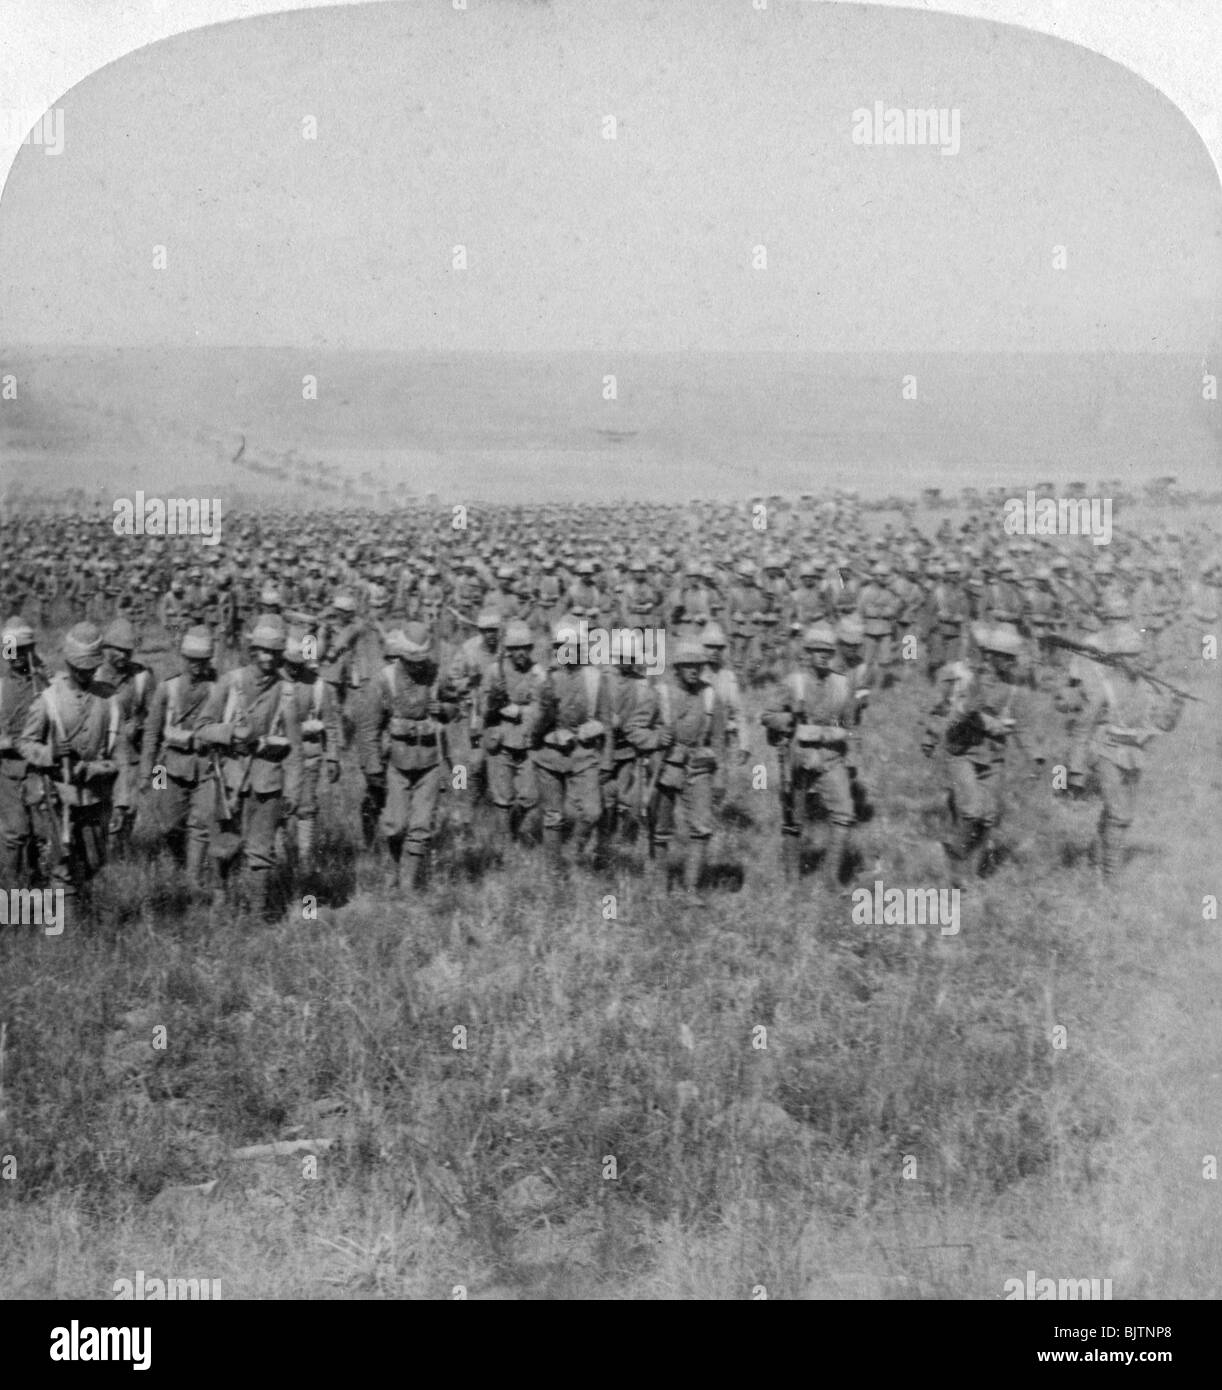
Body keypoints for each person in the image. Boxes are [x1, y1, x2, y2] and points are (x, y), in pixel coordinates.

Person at [1056, 622, 1183, 878]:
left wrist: (1176, 705)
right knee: (1119, 813)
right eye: (1132, 656)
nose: (1139, 660)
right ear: (1118, 659)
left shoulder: (1147, 688)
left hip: (1134, 756)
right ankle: (1110, 876)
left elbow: (1161, 724)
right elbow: (1082, 729)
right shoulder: (1105, 688)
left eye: (1140, 655)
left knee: (1122, 815)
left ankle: (1097, 857)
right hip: (1106, 753)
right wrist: (1076, 771)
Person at [195, 619, 302, 919]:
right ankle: (220, 896)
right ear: (253, 651)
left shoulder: (287, 692)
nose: (268, 658)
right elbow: (201, 729)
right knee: (223, 847)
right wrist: (231, 733)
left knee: (261, 850)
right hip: (229, 778)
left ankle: (258, 915)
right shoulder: (230, 683)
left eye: (275, 652)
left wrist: (293, 791)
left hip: (268, 782)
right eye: (263, 651)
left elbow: (294, 750)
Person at [922, 623, 1043, 882]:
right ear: (992, 656)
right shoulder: (966, 679)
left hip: (994, 757)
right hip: (962, 752)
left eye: (1013, 658)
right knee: (972, 810)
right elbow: (945, 712)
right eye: (1007, 658)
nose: (1012, 663)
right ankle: (955, 854)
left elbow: (1022, 727)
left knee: (988, 817)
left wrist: (1035, 756)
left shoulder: (1014, 688)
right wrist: (933, 737)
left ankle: (970, 872)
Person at [18, 622, 121, 904]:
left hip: (97, 795)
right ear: (68, 662)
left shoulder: (109, 699)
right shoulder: (48, 700)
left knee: (93, 862)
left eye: (90, 668)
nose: (85, 673)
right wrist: (49, 753)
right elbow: (25, 744)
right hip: (57, 798)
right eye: (79, 668)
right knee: (62, 866)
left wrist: (92, 770)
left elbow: (119, 756)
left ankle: (81, 914)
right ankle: (60, 932)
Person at [356, 622, 460, 891]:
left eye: (420, 660)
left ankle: (407, 885)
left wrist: (444, 709)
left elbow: (454, 706)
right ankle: (392, 864)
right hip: (395, 762)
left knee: (421, 825)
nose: (416, 666)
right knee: (395, 825)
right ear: (400, 655)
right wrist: (373, 769)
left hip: (430, 761)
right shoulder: (384, 680)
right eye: (410, 660)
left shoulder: (437, 675)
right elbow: (368, 729)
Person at [761, 623, 855, 884]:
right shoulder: (795, 683)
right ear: (808, 653)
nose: (823, 655)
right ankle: (792, 877)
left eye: (828, 651)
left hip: (830, 758)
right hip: (799, 759)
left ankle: (831, 877)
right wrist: (789, 720)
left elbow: (848, 725)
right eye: (817, 650)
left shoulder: (842, 684)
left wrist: (831, 734)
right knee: (794, 819)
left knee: (844, 814)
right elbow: (767, 716)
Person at [139, 626, 218, 885]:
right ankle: (180, 862)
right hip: (170, 766)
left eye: (203, 660)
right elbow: (151, 733)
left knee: (201, 822)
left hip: (207, 765)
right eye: (192, 659)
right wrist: (146, 772)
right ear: (184, 658)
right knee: (169, 824)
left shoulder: (219, 688)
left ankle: (192, 879)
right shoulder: (168, 688)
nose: (197, 665)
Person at [532, 615, 611, 873]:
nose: (567, 653)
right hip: (550, 754)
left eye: (573, 647)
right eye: (561, 648)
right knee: (553, 816)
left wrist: (606, 759)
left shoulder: (595, 678)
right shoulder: (546, 678)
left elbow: (606, 720)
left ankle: (575, 848)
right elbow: (532, 730)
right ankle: (554, 869)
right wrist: (545, 711)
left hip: (583, 753)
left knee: (592, 812)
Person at [645, 639, 723, 899]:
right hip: (666, 767)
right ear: (676, 668)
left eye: (698, 665)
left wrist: (720, 775)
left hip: (699, 766)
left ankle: (691, 888)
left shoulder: (710, 695)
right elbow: (639, 727)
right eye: (687, 665)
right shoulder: (661, 693)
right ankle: (659, 886)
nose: (694, 670)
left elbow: (720, 739)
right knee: (660, 828)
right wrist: (657, 738)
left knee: (701, 828)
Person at [481, 620, 545, 850]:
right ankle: (466, 811)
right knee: (470, 768)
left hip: (527, 741)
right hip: (499, 738)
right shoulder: (494, 670)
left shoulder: (538, 673)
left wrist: (521, 711)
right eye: (515, 648)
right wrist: (492, 707)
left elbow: (542, 707)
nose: (520, 653)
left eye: (525, 648)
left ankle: (513, 830)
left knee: (530, 796)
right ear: (508, 650)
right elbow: (482, 704)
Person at [283, 630, 341, 873]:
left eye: (299, 664)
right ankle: (280, 859)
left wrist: (333, 757)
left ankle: (305, 859)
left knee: (306, 807)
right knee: (278, 808)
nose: (294, 669)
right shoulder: (274, 684)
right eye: (289, 664)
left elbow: (330, 722)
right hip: (279, 756)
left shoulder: (318, 686)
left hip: (309, 754)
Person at [0, 616, 43, 883]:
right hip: (7, 768)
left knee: (40, 831)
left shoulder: (44, 684)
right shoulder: (1, 686)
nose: (16, 657)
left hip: (38, 768)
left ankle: (37, 880)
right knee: (16, 831)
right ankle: (10, 888)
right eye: (11, 650)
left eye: (23, 650)